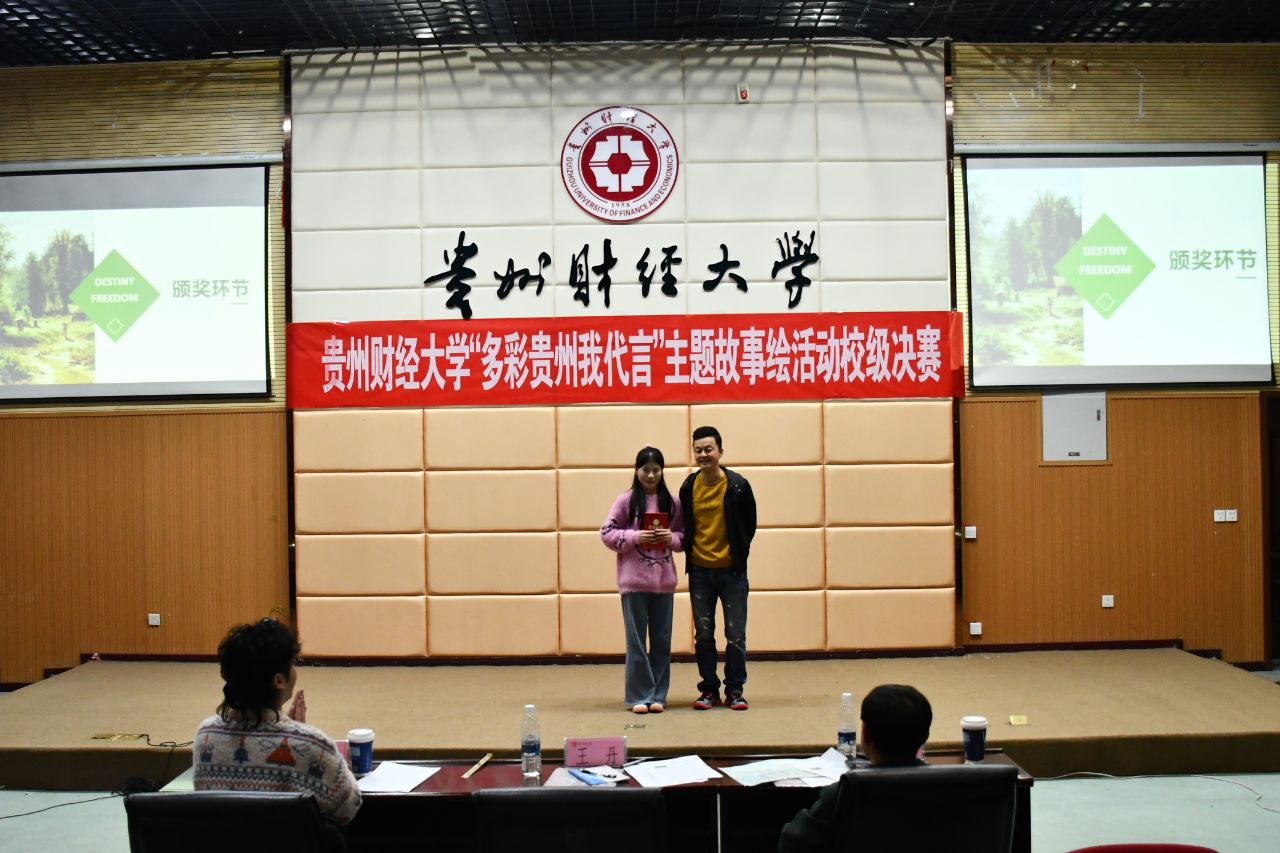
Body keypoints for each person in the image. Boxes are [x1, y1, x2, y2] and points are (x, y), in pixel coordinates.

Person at [194, 618, 361, 826]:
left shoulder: (205, 735)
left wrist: (294, 732)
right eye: (292, 664)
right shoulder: (312, 744)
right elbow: (348, 806)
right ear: (279, 680)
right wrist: (300, 734)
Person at [777, 684, 933, 853]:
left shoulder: (841, 793)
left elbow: (791, 845)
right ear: (925, 736)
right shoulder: (946, 787)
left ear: (865, 734)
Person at [601, 446, 684, 714]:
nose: (650, 475)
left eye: (656, 470)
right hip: (633, 583)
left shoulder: (672, 501)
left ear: (662, 471)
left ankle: (658, 695)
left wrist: (671, 538)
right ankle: (639, 695)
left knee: (662, 641)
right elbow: (606, 533)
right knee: (636, 642)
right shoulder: (626, 500)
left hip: (664, 583)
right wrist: (636, 536)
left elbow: (684, 537)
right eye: (645, 470)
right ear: (636, 471)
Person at [679, 425, 757, 711]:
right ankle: (709, 689)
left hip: (732, 573)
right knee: (703, 634)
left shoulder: (738, 485)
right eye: (698, 450)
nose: (703, 455)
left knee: (735, 635)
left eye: (709, 449)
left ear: (720, 452)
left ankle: (735, 690)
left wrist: (737, 555)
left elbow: (749, 525)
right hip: (700, 572)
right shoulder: (688, 486)